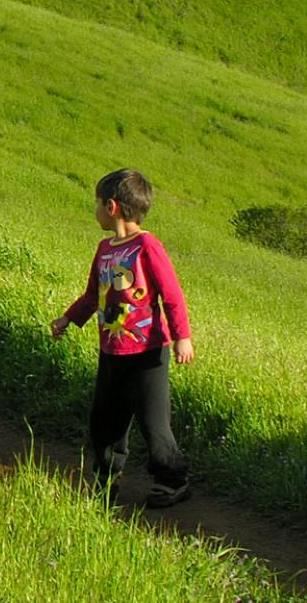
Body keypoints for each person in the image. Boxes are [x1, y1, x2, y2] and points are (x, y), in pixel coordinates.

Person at [50, 168, 194, 508]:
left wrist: (182, 337)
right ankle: (106, 481)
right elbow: (92, 296)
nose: (95, 209)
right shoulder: (104, 249)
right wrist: (68, 318)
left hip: (148, 352)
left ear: (111, 206)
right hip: (111, 350)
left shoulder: (147, 246)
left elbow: (171, 294)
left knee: (154, 425)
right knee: (105, 420)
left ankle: (173, 481)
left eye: (97, 203)